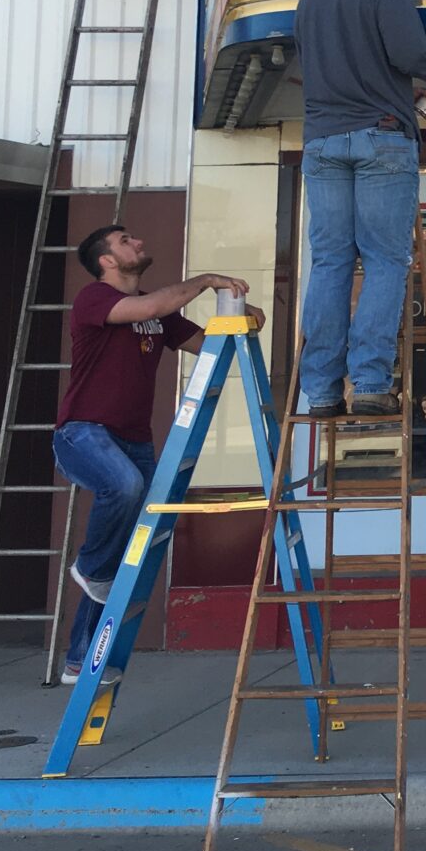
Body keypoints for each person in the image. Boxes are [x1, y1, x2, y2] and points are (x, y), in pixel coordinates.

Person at [55, 224, 258, 682]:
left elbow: (203, 343)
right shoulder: (95, 298)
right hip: (83, 433)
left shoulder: (155, 313)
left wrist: (239, 319)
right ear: (106, 260)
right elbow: (151, 306)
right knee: (123, 490)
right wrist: (206, 279)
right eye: (126, 241)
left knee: (119, 560)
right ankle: (88, 566)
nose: (140, 242)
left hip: (133, 439)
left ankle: (80, 658)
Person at [293, 0, 426, 418]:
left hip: (323, 139)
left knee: (330, 263)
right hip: (382, 140)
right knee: (386, 260)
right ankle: (370, 383)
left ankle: (321, 391)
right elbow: (410, 54)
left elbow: (339, 67)